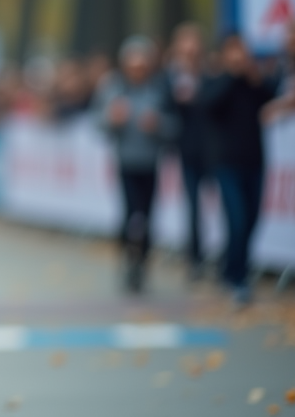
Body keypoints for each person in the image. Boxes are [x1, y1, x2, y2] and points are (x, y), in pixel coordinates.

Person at [94, 36, 177, 294]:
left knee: (148, 216)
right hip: (125, 161)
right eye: (133, 64)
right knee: (130, 215)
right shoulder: (113, 88)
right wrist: (112, 119)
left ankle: (142, 264)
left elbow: (176, 126)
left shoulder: (160, 89)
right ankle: (128, 261)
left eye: (143, 64)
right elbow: (98, 122)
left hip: (151, 163)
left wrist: (159, 124)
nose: (138, 69)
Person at [201, 32, 277, 304]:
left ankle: (229, 263)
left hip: (255, 160)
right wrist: (232, 76)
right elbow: (209, 105)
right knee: (237, 218)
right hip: (226, 162)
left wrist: (255, 78)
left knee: (253, 219)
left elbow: (271, 96)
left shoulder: (253, 81)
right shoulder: (216, 80)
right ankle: (237, 277)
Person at [165, 23, 214, 281]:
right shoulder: (170, 77)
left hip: (217, 148)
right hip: (188, 148)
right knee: (193, 205)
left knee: (226, 205)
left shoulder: (212, 73)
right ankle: (195, 257)